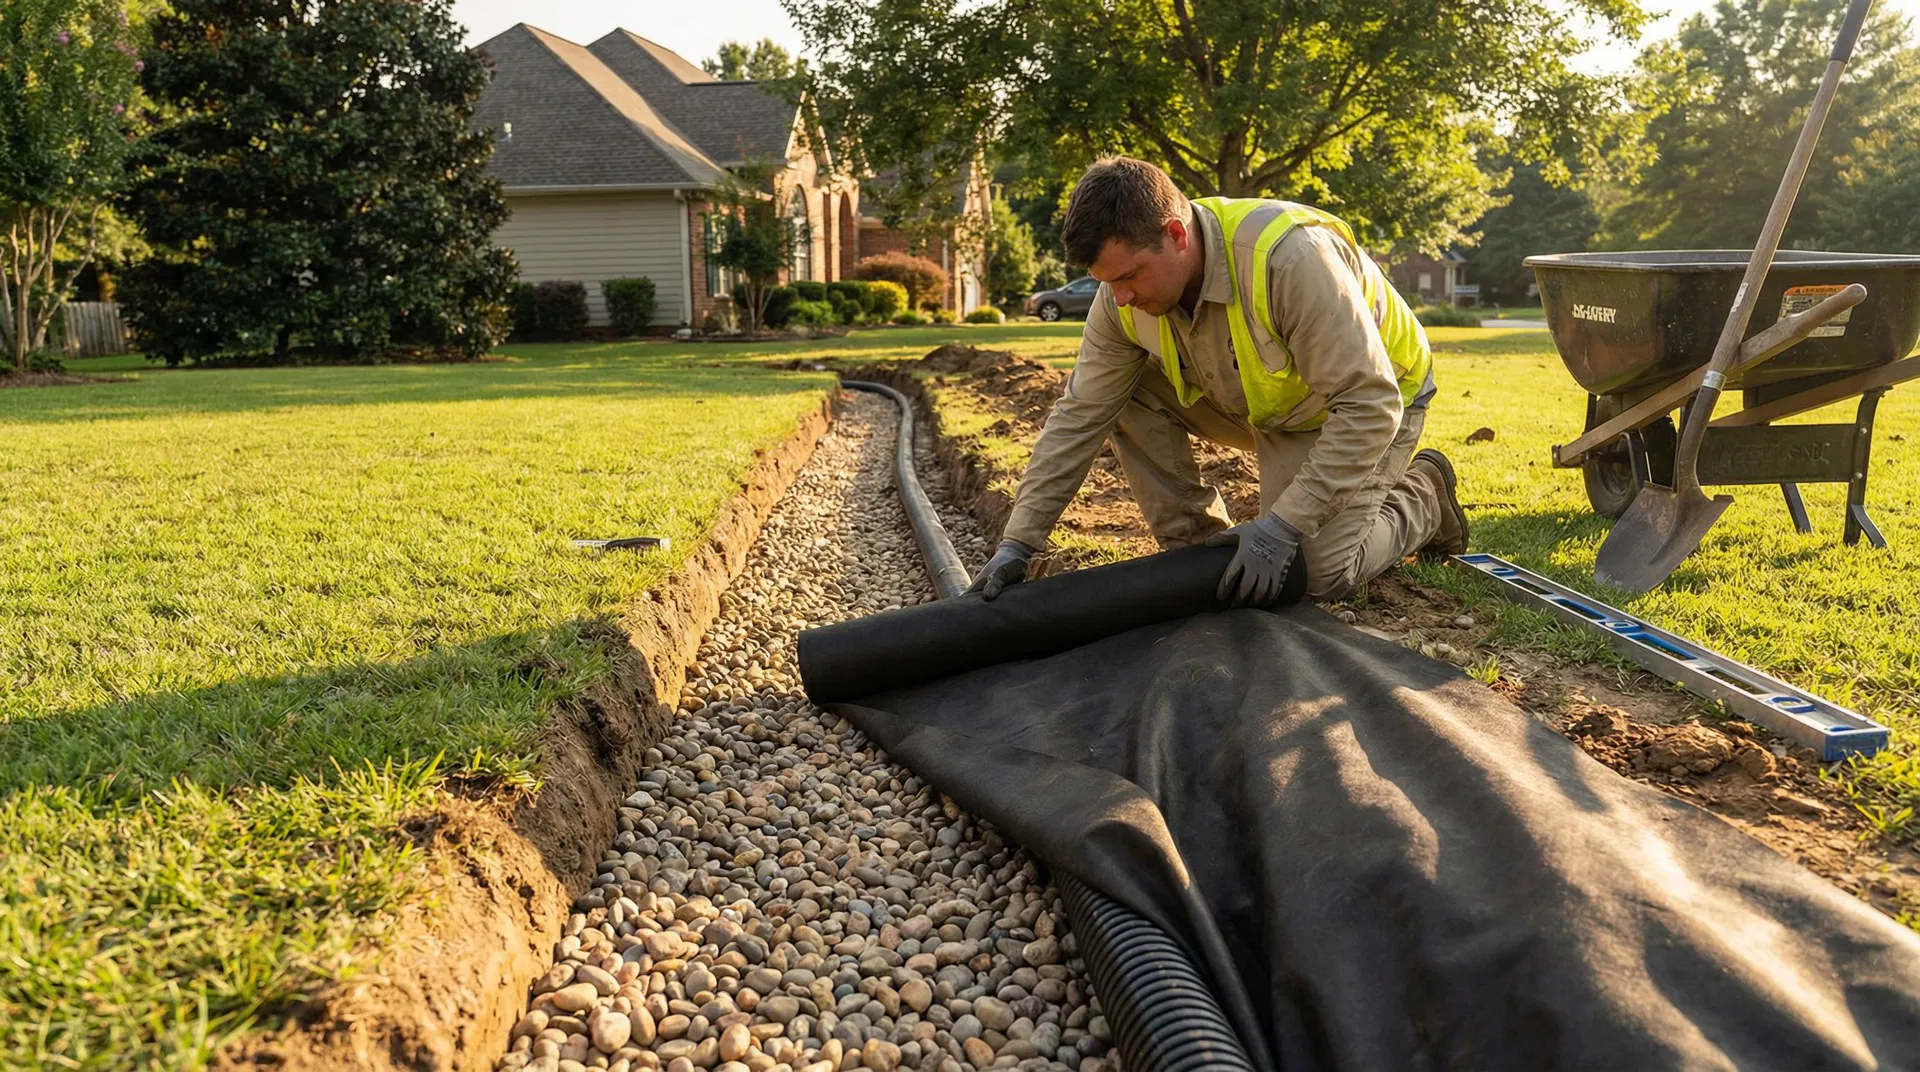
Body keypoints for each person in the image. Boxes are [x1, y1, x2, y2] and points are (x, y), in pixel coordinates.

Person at [967, 157, 1469, 606]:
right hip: (1261, 402)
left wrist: (1281, 528)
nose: (1120, 298)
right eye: (1108, 282)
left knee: (1315, 575)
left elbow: (1369, 404)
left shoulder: (1288, 260)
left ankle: (1425, 497)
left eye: (1130, 276)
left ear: (1176, 235)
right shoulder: (1119, 300)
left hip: (1371, 400)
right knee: (1122, 391)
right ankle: (1199, 548)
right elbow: (1081, 413)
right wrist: (1019, 542)